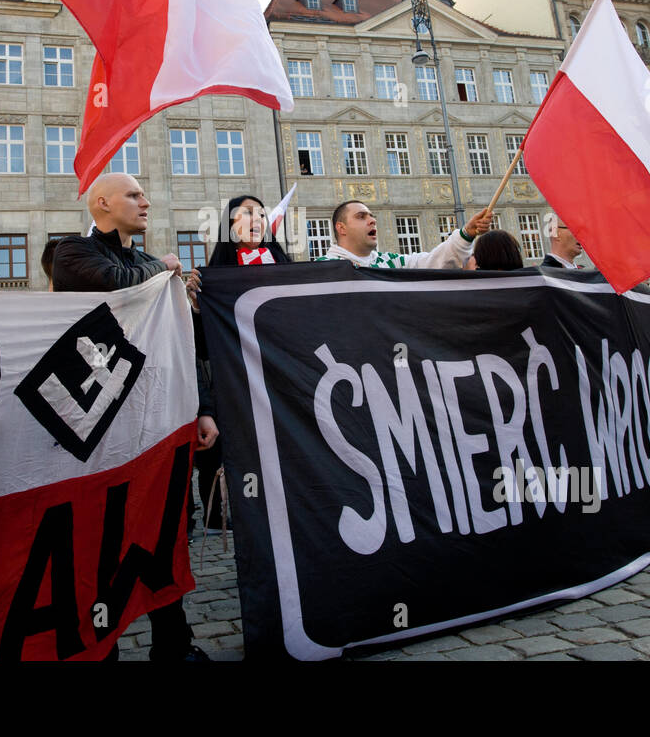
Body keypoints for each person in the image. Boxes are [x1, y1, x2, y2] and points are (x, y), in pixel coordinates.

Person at [53, 173, 210, 661]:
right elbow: (115, 284)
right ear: (102, 203)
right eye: (134, 195)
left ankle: (174, 644)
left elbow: (180, 339)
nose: (147, 201)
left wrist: (201, 407)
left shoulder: (146, 261)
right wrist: (165, 270)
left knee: (165, 530)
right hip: (99, 422)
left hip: (155, 414)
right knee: (101, 537)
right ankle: (103, 646)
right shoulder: (71, 253)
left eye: (144, 193)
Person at [191, 195, 292, 535]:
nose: (256, 219)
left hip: (278, 373)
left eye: (261, 214)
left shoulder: (285, 267)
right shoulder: (213, 277)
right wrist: (196, 309)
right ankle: (217, 513)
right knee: (221, 449)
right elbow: (202, 347)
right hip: (231, 377)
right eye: (247, 213)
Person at [322, 200, 493, 268]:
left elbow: (433, 263)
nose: (372, 221)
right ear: (341, 228)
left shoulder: (391, 263)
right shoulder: (323, 268)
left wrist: (466, 234)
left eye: (372, 216)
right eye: (361, 217)